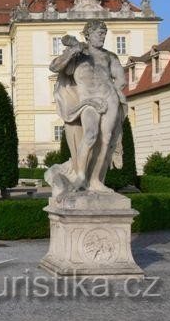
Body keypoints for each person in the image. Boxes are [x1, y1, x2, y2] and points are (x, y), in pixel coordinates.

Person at [49, 20, 126, 192]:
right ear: (88, 35)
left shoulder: (110, 56)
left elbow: (121, 79)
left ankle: (96, 180)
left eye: (104, 34)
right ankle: (81, 176)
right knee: (91, 135)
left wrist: (113, 91)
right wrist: (71, 53)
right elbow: (54, 67)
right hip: (87, 102)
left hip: (109, 98)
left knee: (106, 140)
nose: (102, 37)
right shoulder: (78, 56)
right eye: (99, 33)